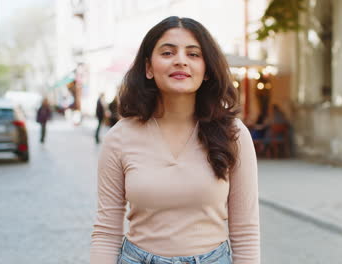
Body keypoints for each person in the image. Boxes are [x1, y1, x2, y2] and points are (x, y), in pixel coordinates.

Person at [90, 16, 260, 264]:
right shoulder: (119, 137)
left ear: (207, 70)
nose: (180, 60)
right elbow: (106, 231)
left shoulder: (233, 134)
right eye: (168, 52)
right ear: (149, 68)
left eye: (193, 54)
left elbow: (245, 231)